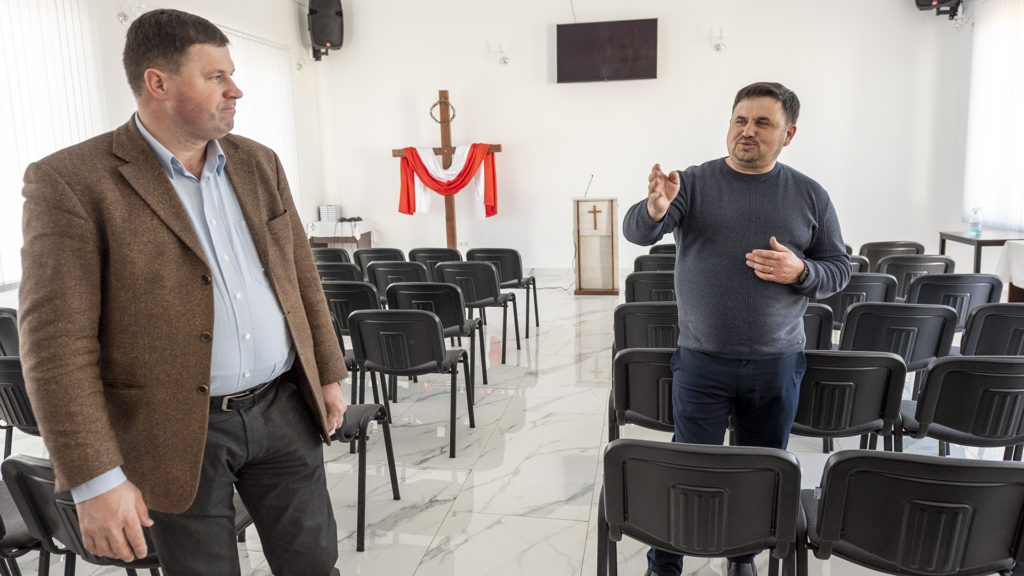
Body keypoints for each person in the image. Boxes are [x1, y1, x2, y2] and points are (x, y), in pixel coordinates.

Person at [19, 9, 347, 575]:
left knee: (315, 565)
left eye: (232, 74)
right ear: (158, 82)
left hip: (283, 409)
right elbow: (55, 346)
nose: (235, 89)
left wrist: (327, 373)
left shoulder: (260, 162)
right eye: (216, 76)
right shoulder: (72, 181)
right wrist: (95, 478)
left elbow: (300, 276)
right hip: (171, 431)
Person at [622, 82, 851, 576]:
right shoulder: (692, 183)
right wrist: (654, 210)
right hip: (702, 359)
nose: (747, 131)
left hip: (776, 364)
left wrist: (802, 271)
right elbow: (639, 231)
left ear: (788, 134)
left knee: (759, 472)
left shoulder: (810, 194)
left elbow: (839, 269)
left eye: (762, 122)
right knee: (689, 470)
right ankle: (666, 562)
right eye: (740, 120)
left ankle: (742, 556)